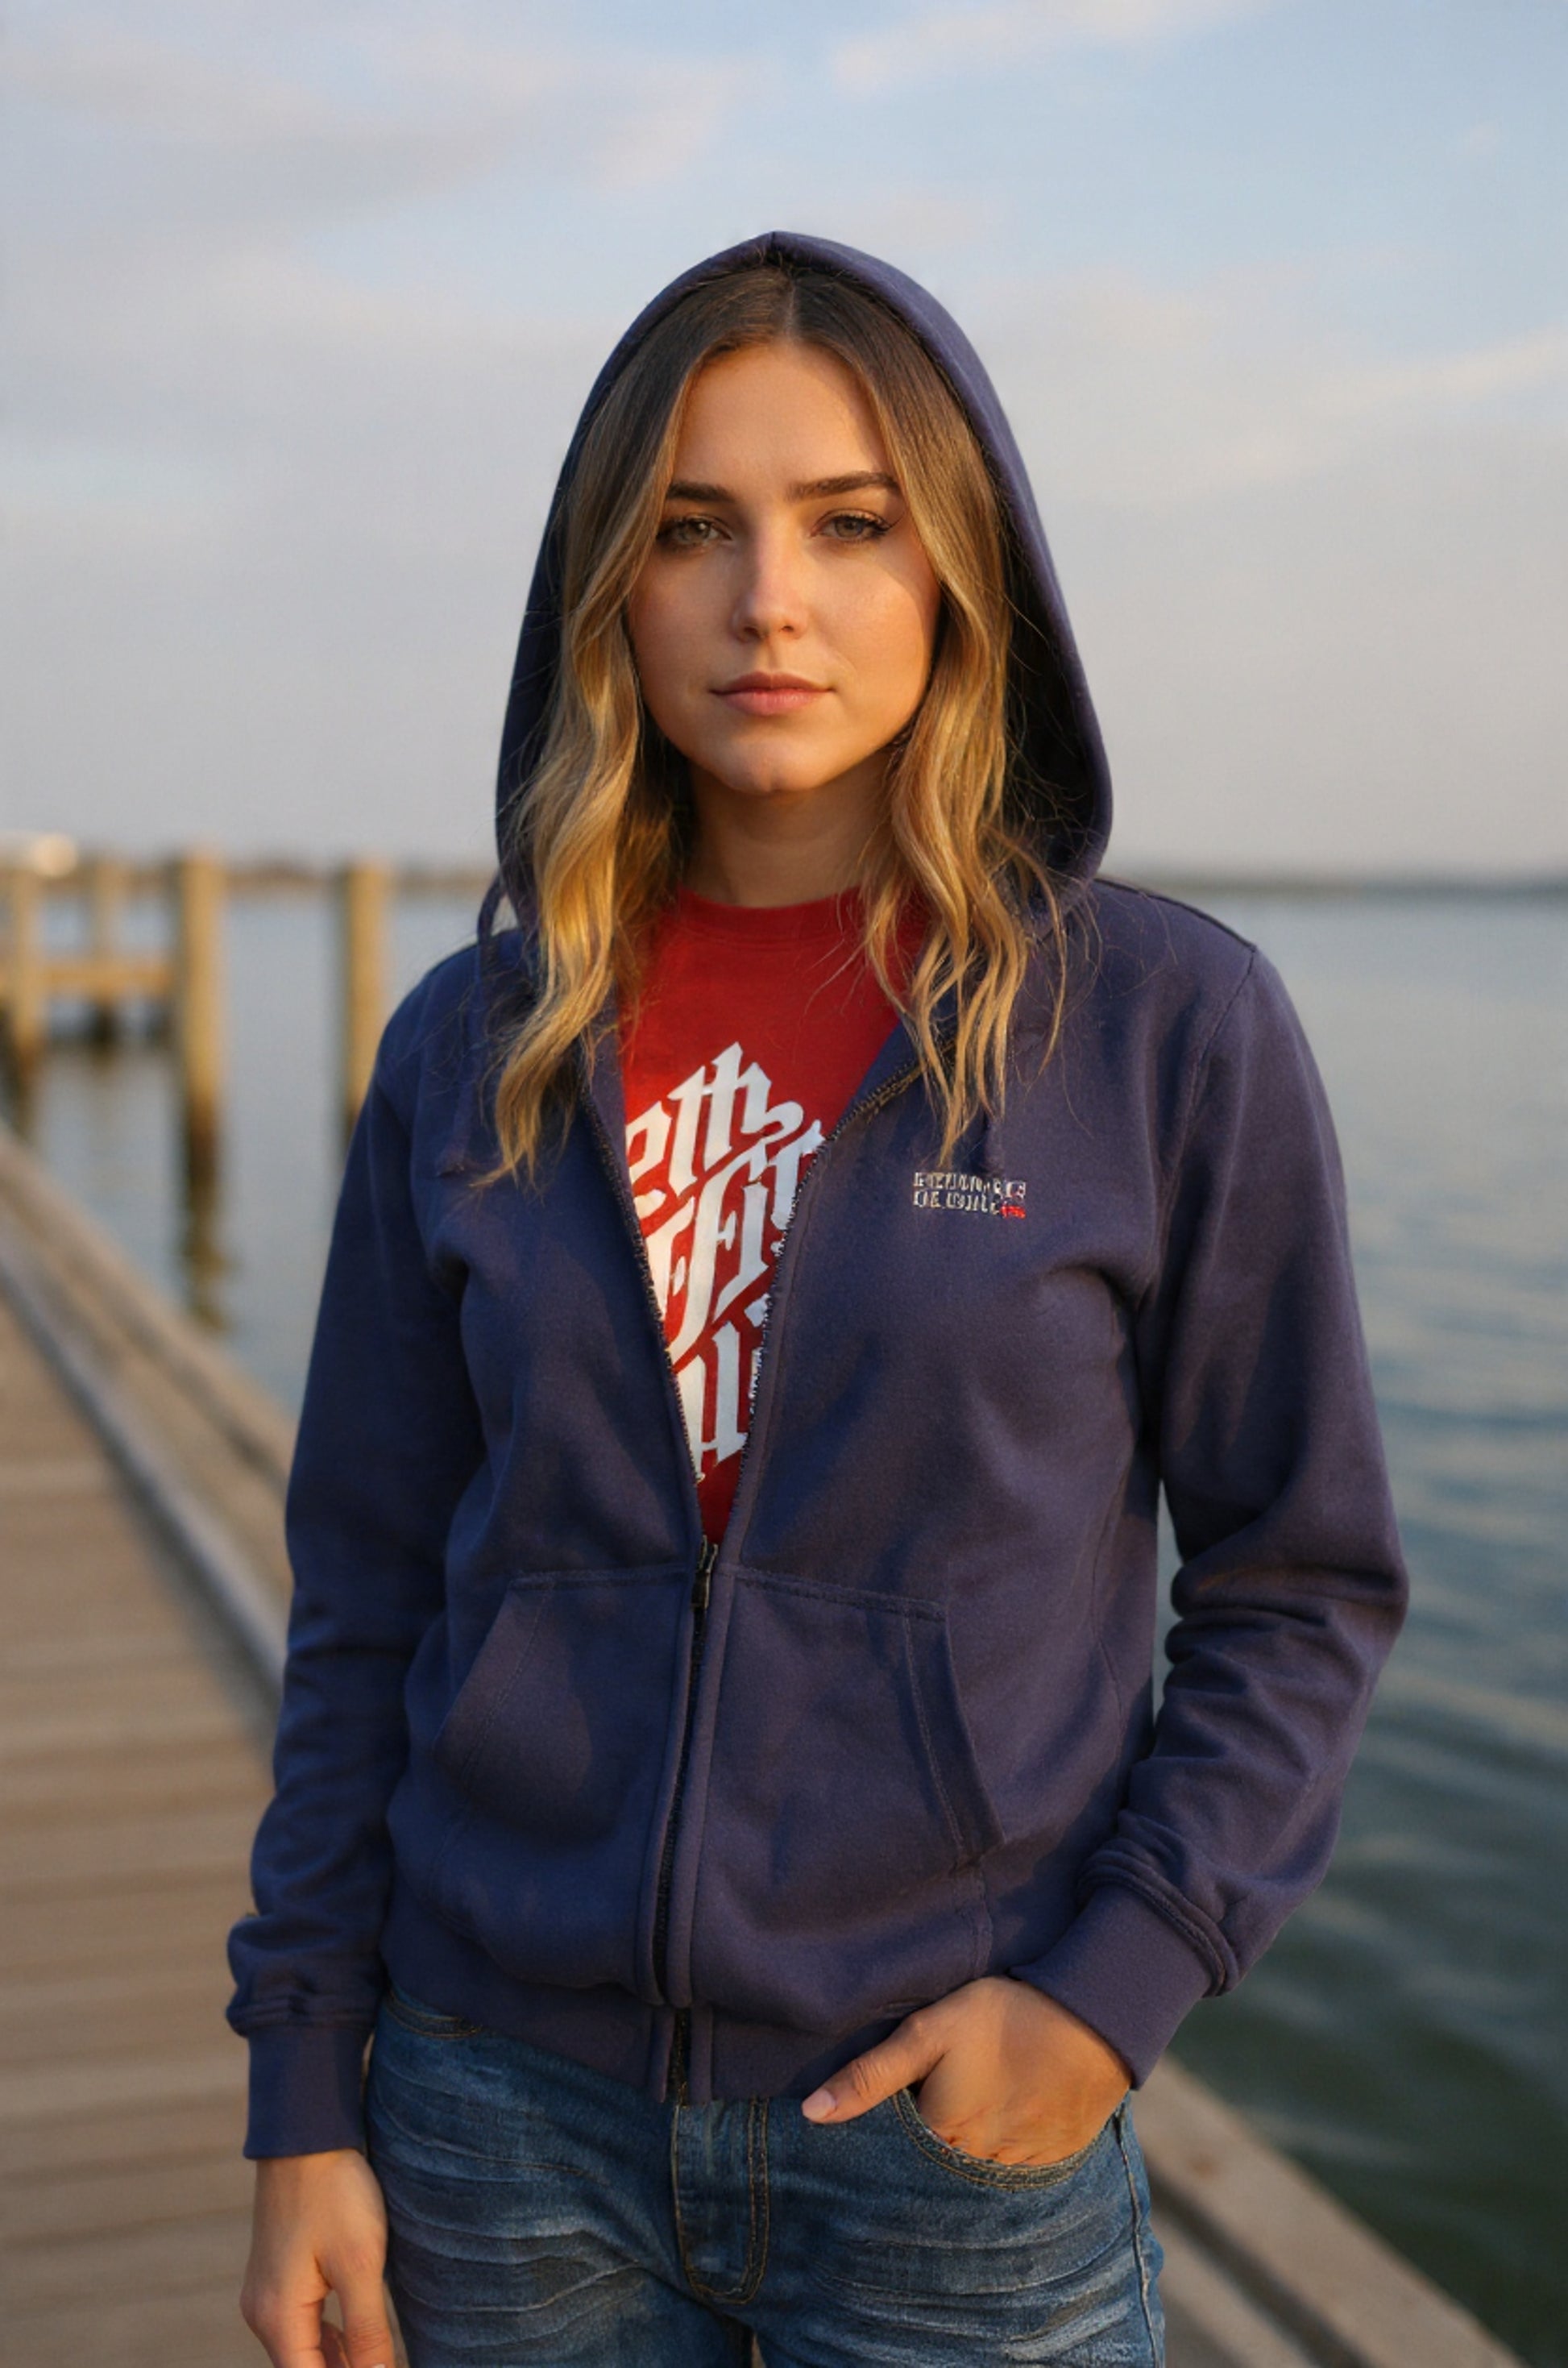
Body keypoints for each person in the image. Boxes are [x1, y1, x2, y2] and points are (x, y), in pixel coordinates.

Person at [229, 231, 1408, 2368]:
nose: (767, 598)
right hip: (497, 2110)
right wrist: (305, 2082)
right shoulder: (466, 1048)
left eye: (849, 524)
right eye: (693, 528)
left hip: (953, 2131)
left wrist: (1107, 1991)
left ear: (960, 568)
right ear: (607, 585)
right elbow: (367, 1594)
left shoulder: (1162, 1028)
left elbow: (1297, 1584)